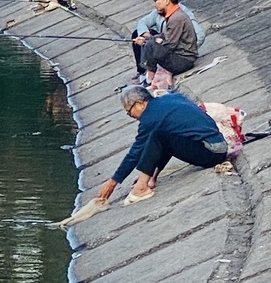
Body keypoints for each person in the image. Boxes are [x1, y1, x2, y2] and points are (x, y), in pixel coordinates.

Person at [89, 85, 234, 207]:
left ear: (140, 103)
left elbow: (136, 152)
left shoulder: (150, 117)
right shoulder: (171, 98)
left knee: (159, 135)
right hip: (217, 146)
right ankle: (151, 177)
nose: (129, 115)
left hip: (211, 151)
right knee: (164, 134)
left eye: (129, 110)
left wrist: (113, 181)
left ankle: (141, 188)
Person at [131, 0, 199, 79]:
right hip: (179, 56)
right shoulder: (173, 15)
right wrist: (146, 39)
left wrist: (148, 42)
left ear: (166, 1)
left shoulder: (177, 18)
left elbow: (170, 44)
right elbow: (164, 35)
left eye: (157, 0)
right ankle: (146, 73)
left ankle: (150, 77)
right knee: (147, 40)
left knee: (150, 45)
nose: (154, 4)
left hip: (184, 61)